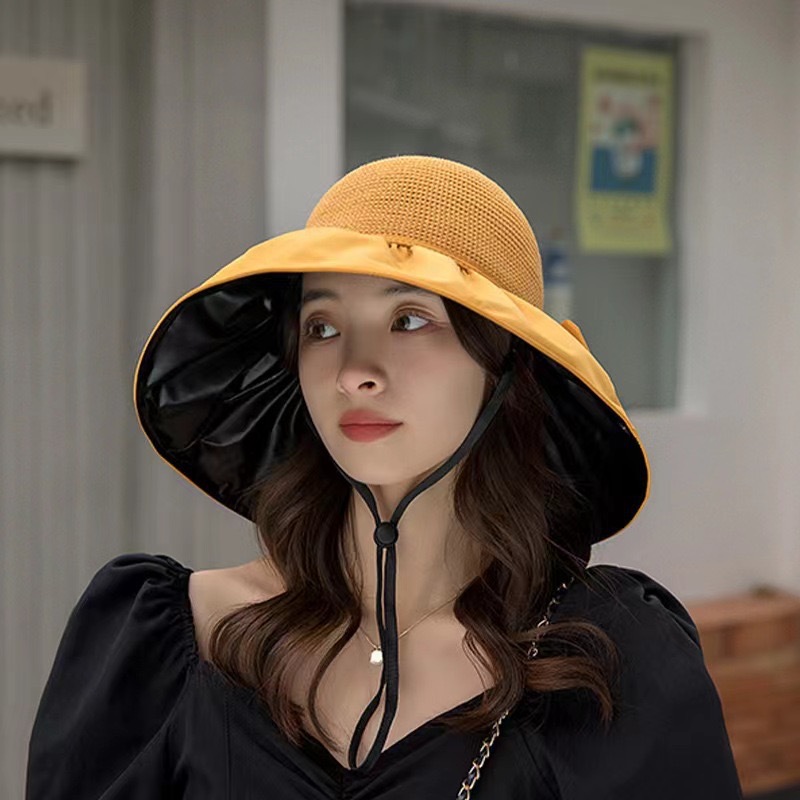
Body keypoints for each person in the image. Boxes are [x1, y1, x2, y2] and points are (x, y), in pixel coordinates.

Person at [25, 155, 744, 799]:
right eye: (322, 327)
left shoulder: (611, 661)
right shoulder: (166, 639)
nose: (354, 373)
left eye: (409, 319)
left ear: (504, 365)